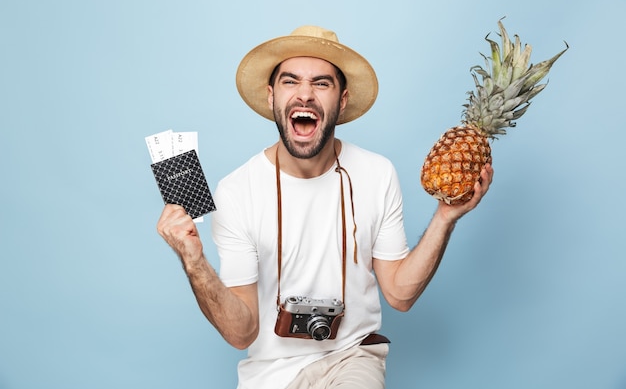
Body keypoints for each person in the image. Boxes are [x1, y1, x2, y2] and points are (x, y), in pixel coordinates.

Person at [156, 25, 493, 389]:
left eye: (321, 83)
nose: (305, 95)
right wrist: (194, 262)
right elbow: (242, 333)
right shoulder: (236, 191)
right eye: (290, 82)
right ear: (271, 97)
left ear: (342, 100)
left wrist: (445, 218)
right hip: (269, 374)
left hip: (352, 357)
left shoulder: (377, 173)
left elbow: (399, 294)